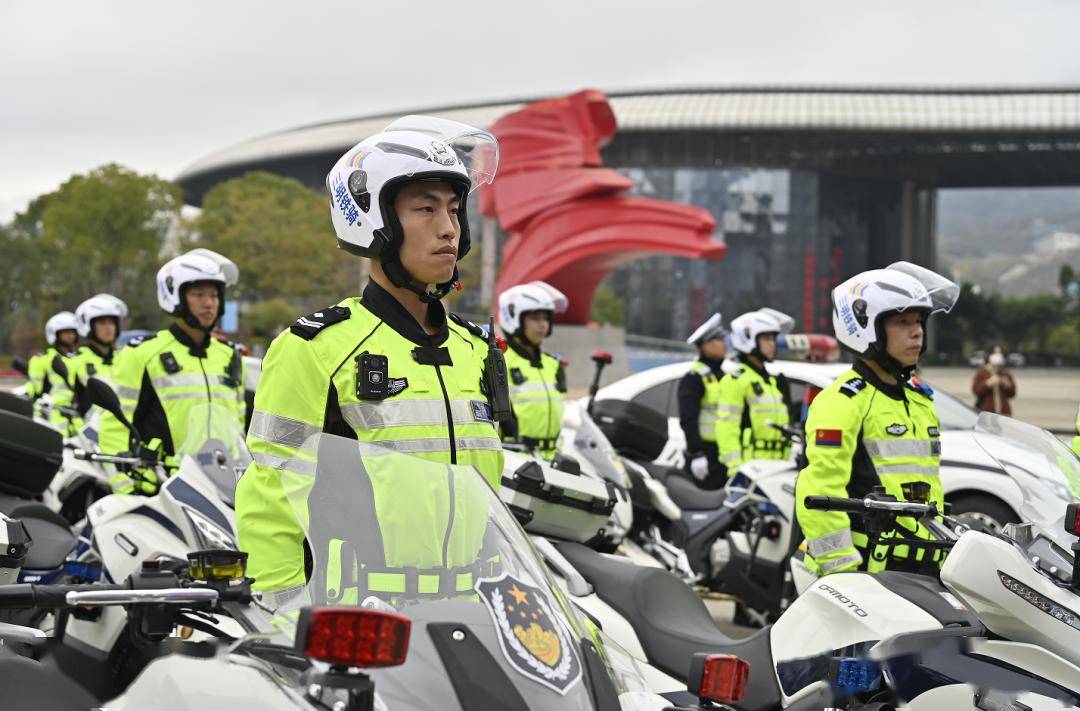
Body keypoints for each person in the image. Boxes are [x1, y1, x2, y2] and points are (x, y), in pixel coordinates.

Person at [235, 116, 507, 594]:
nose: (448, 229)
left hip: (472, 612)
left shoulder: (475, 349)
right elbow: (271, 495)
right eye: (426, 209)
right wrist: (280, 617)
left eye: (455, 210)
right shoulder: (316, 348)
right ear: (372, 220)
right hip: (361, 626)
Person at [795, 262, 959, 576]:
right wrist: (842, 571)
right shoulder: (842, 401)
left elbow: (927, 489)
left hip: (921, 566)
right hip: (867, 570)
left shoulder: (919, 400)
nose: (917, 332)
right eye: (902, 322)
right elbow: (817, 490)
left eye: (919, 321)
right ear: (865, 327)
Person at [98, 249, 245, 494]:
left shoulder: (229, 355)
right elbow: (115, 425)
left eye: (214, 294)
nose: (209, 303)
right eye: (198, 294)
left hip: (224, 487)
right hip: (163, 486)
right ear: (175, 296)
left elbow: (237, 423)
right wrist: (128, 487)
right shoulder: (143, 354)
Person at [715, 308, 794, 472]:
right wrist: (737, 469)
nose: (773, 344)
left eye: (773, 338)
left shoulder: (771, 382)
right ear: (748, 339)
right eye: (766, 338)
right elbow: (727, 428)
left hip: (778, 468)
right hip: (750, 469)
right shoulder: (735, 380)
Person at [497, 281, 569, 459]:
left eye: (546, 318)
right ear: (514, 317)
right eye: (535, 318)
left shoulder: (553, 365)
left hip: (553, 461)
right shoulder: (500, 361)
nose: (543, 324)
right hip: (515, 461)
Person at [677, 313, 729, 489]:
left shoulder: (724, 376)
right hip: (706, 457)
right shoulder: (694, 378)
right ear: (705, 345)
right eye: (719, 340)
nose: (725, 344)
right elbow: (688, 419)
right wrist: (696, 454)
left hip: (725, 455)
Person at [71, 293, 128, 412]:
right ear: (89, 326)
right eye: (102, 323)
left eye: (112, 323)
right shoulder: (76, 361)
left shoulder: (125, 357)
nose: (109, 328)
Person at [30, 311, 82, 434]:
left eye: (73, 332)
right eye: (66, 332)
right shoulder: (42, 359)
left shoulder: (80, 358)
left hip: (77, 417)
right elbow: (35, 391)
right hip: (50, 416)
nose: (70, 336)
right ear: (54, 334)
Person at [971, 345, 1016, 415]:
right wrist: (988, 383)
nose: (998, 356)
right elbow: (976, 391)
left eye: (1000, 353)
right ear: (989, 355)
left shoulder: (1005, 372)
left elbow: (1012, 394)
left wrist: (1006, 384)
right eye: (995, 353)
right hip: (987, 413)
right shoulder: (982, 372)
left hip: (1004, 413)